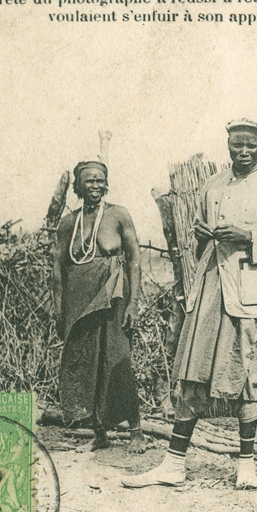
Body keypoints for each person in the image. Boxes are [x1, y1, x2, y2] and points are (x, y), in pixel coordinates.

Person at [123, 118, 257, 490]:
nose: (242, 151)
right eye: (236, 144)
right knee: (193, 375)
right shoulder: (213, 185)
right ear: (228, 145)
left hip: (250, 296)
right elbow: (200, 244)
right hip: (209, 290)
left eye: (250, 145)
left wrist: (249, 237)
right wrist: (201, 236)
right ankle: (173, 465)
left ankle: (247, 465)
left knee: (250, 380)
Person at [53, 160, 146, 454]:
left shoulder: (118, 215)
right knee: (86, 362)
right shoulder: (69, 222)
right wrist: (58, 310)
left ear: (106, 184)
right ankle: (100, 433)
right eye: (89, 181)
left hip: (113, 296)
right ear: (78, 186)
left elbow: (134, 260)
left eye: (100, 180)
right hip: (79, 299)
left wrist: (133, 304)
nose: (95, 185)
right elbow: (57, 267)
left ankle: (136, 432)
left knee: (118, 359)